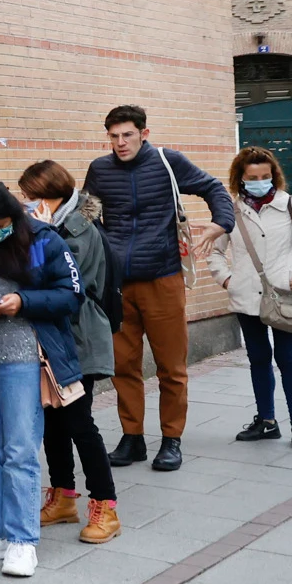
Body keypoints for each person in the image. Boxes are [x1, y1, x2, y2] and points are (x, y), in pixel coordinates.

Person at [83, 105, 235, 472]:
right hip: (117, 285)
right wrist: (106, 248)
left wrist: (221, 224)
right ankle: (132, 438)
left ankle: (171, 439)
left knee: (171, 366)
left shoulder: (168, 162)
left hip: (163, 278)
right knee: (123, 366)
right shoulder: (99, 169)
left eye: (128, 135)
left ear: (143, 133)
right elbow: (86, 216)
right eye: (114, 136)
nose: (120, 143)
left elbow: (213, 187)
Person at [0, 182, 82, 579]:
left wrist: (23, 302)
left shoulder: (43, 239)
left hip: (23, 358)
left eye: (0, 224)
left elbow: (72, 294)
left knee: (20, 451)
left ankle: (24, 540)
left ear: (13, 216)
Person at [18, 161, 122, 545]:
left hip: (80, 337)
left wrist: (38, 232)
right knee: (54, 422)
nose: (25, 203)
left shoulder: (77, 229)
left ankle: (105, 506)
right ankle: (63, 496)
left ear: (51, 195)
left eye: (30, 196)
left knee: (79, 422)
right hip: (55, 339)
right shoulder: (57, 224)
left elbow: (53, 281)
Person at [207, 146, 292, 453]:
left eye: (266, 176)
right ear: (240, 178)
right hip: (247, 297)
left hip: (286, 296)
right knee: (258, 360)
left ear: (274, 175)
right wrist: (226, 279)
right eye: (253, 177)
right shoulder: (231, 211)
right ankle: (266, 421)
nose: (260, 181)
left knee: (289, 360)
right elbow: (214, 250)